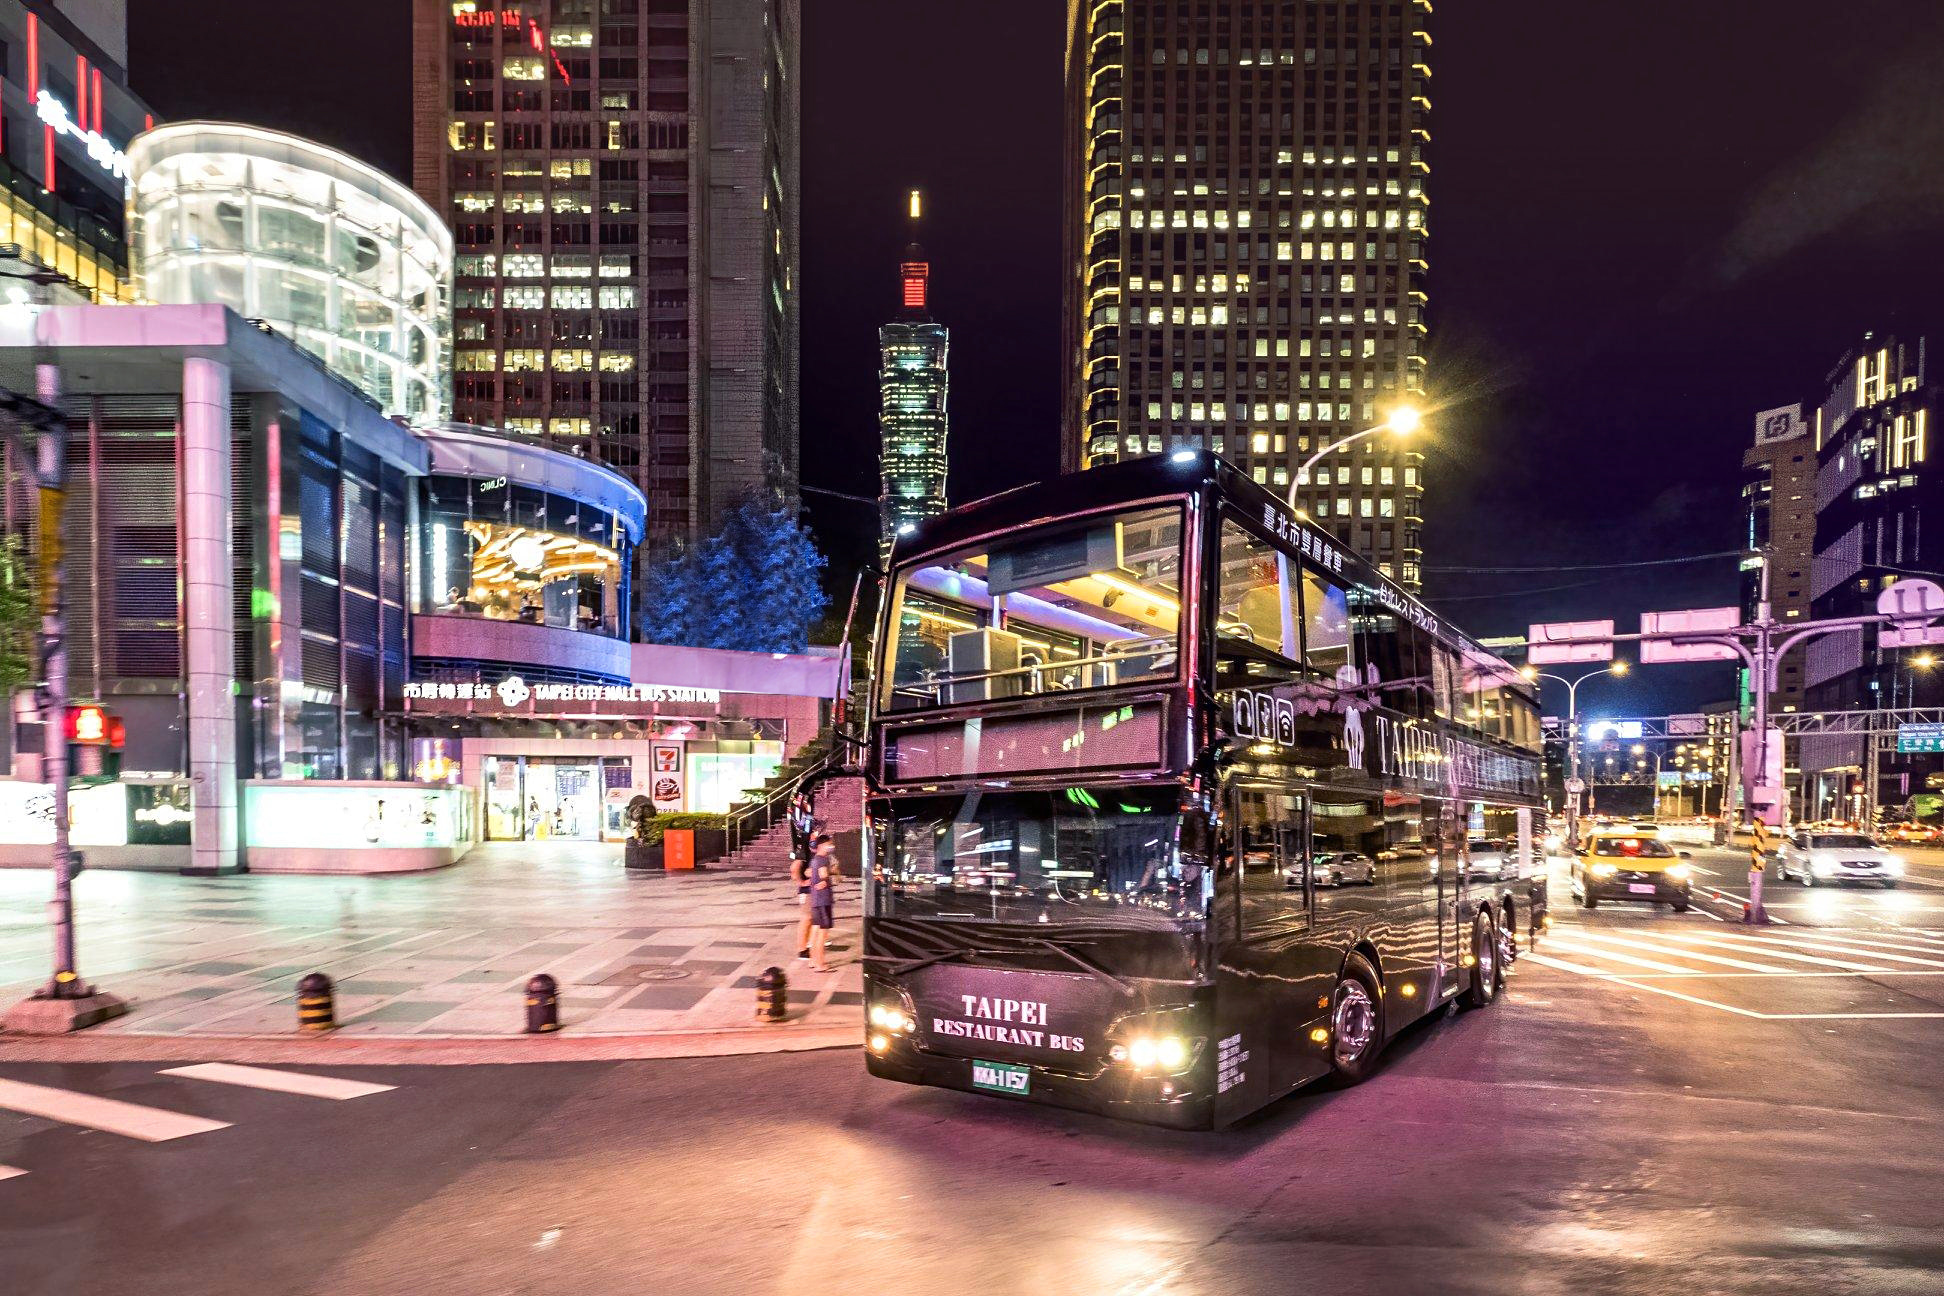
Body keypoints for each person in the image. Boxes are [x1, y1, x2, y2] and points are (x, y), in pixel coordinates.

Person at [807, 834, 838, 972]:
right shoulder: (822, 860)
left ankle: (813, 960)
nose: (831, 847)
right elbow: (823, 876)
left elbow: (810, 874)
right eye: (829, 844)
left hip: (815, 900)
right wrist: (830, 876)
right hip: (823, 900)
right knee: (822, 934)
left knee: (816, 930)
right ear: (821, 845)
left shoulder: (815, 859)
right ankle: (820, 964)